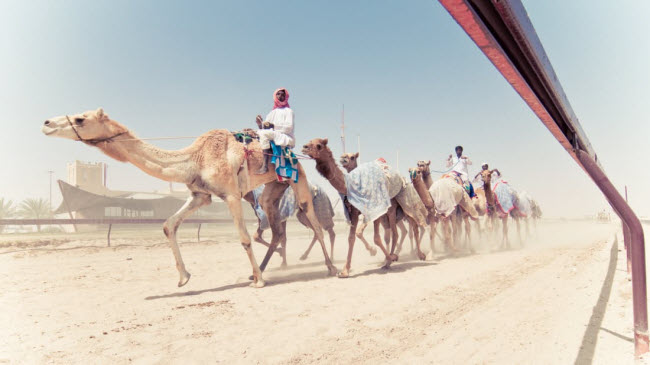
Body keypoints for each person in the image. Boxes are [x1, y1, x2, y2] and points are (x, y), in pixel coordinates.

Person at [255, 88, 295, 174]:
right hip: (272, 134)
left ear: (286, 97)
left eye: (283, 95)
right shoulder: (272, 113)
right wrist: (260, 124)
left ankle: (265, 166)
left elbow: (289, 128)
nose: (280, 96)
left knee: (264, 134)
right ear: (275, 96)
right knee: (256, 133)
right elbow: (265, 127)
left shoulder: (289, 111)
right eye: (278, 94)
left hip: (284, 136)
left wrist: (273, 126)